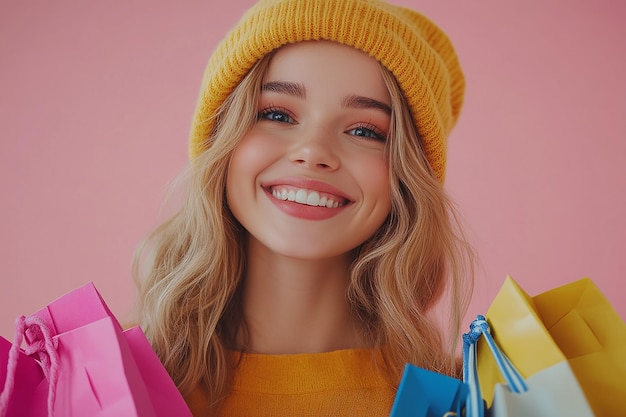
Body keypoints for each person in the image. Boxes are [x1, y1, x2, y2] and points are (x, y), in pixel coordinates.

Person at [133, 0, 474, 415]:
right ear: (220, 142)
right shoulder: (114, 381)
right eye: (276, 114)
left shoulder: (460, 402)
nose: (313, 152)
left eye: (365, 130)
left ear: (408, 176)